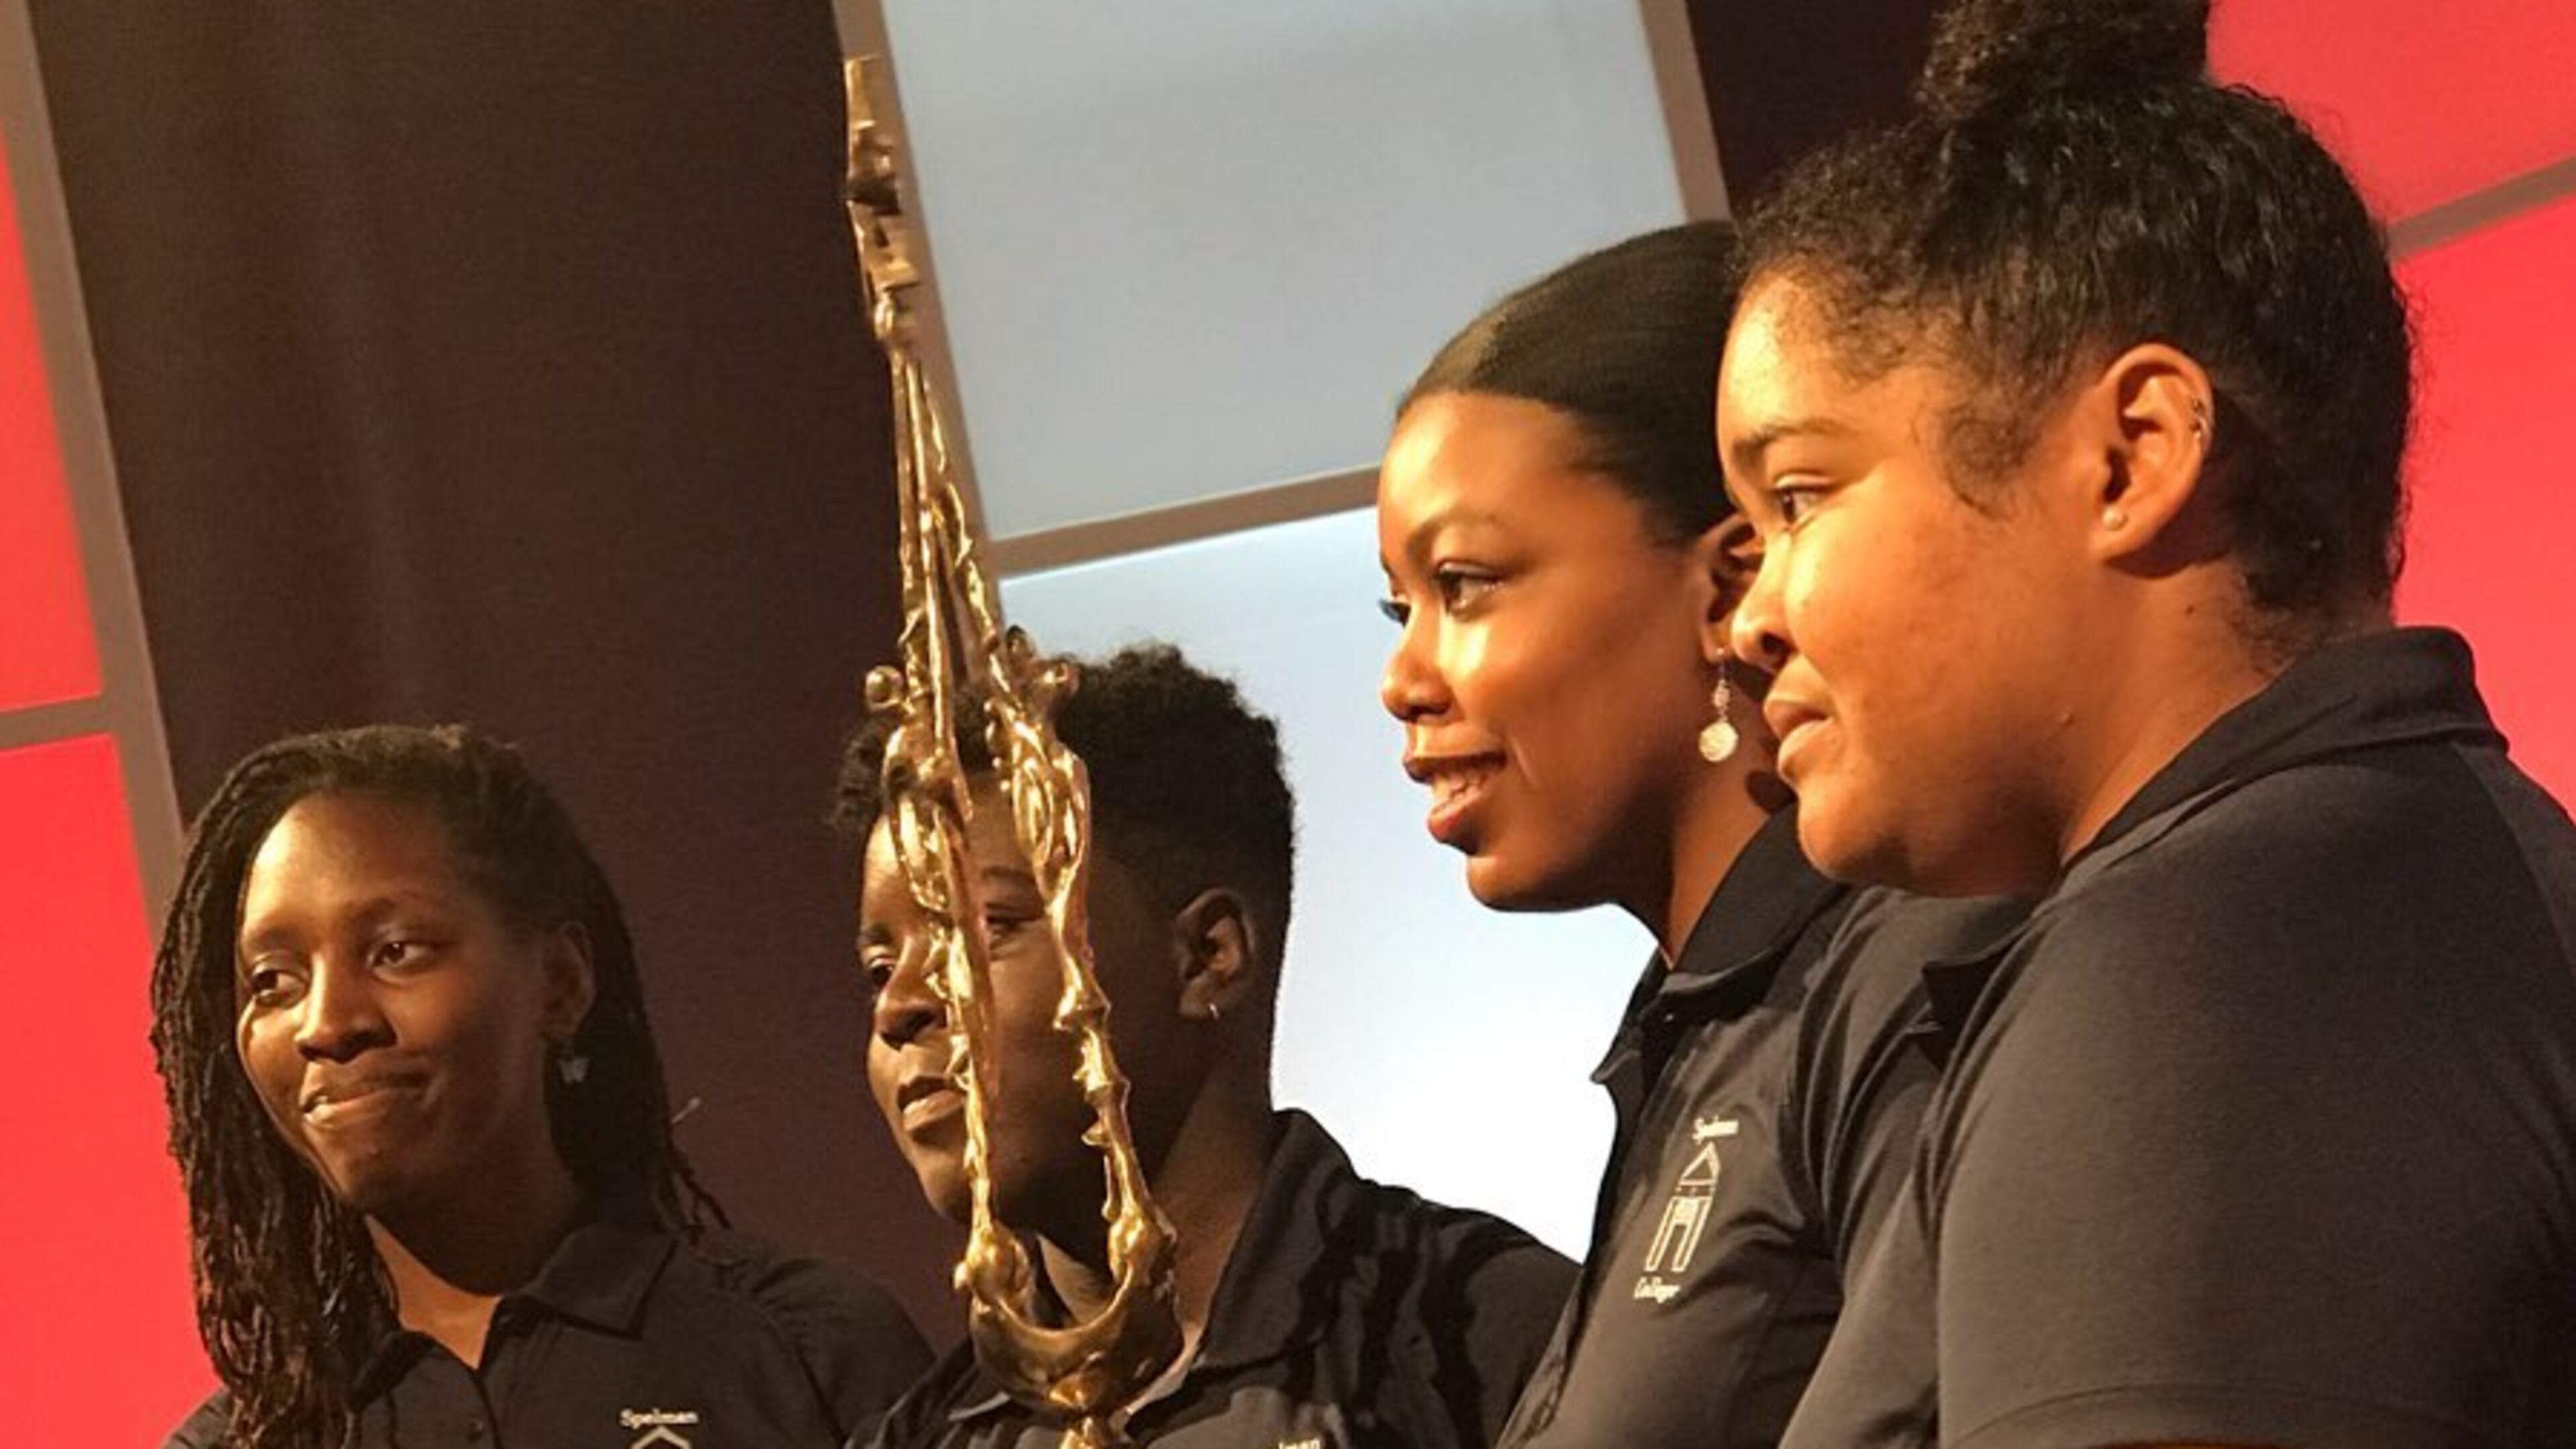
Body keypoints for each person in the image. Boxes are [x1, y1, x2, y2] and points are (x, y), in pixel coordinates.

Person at [1714, 0, 2576, 1444]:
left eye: (1800, 497)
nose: (1753, 618)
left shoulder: (2222, 963)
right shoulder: (2376, 883)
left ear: (2132, 458)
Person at [1377, 221, 2015, 1447]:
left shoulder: (1902, 982)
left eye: (1464, 585)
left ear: (1726, 588)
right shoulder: (1695, 1036)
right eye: (1397, 607)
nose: (1404, 677)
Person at [839, 644, 1574, 1448]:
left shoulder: (1482, 1343)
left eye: (983, 934)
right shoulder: (930, 1435)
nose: (903, 1007)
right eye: (880, 968)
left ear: (1207, 958)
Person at [154, 724, 929, 1448]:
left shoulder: (809, 1346)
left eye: (394, 951)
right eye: (273, 981)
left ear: (560, 983)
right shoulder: (245, 1439)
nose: (326, 1022)